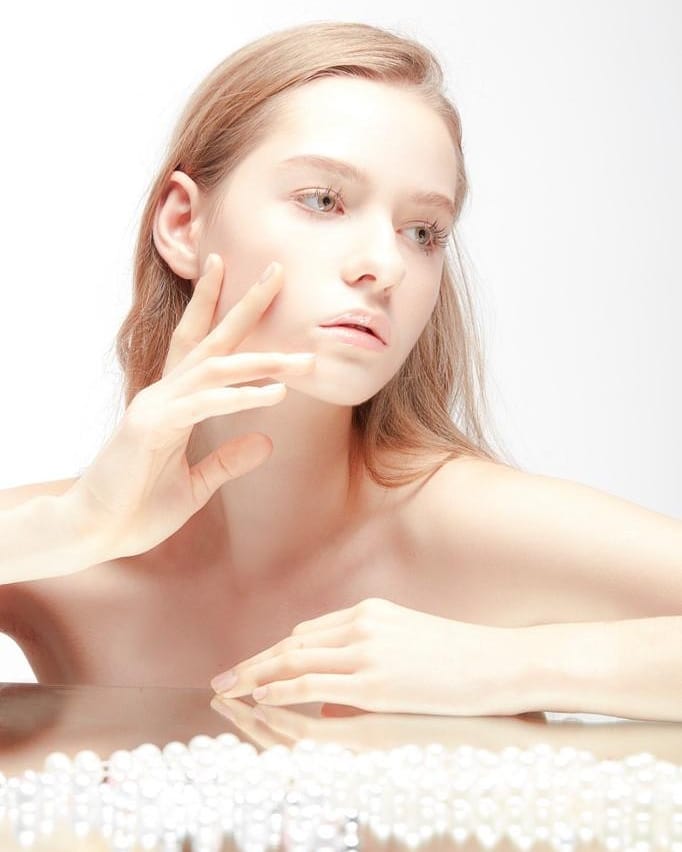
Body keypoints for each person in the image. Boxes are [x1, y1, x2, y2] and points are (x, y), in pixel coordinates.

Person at [1, 22, 679, 716]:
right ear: (183, 224)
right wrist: (74, 528)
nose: (385, 266)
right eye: (322, 200)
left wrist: (512, 665)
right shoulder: (57, 550)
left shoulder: (468, 524)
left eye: (422, 233)